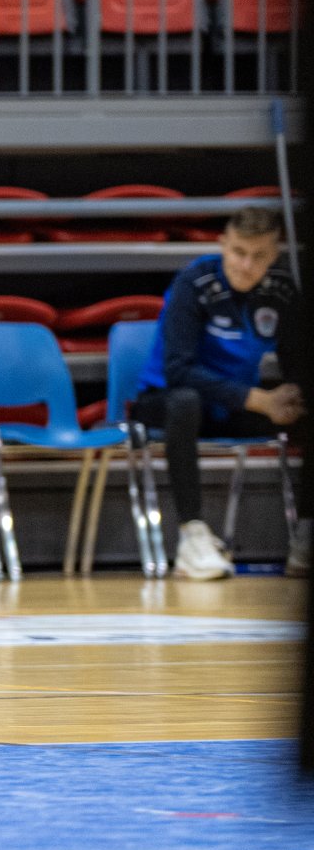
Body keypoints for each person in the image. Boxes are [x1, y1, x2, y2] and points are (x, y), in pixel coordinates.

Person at [133, 207, 310, 580]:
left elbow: (296, 367)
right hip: (164, 400)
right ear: (223, 246)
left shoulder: (281, 289)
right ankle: (192, 537)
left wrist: (291, 395)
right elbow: (179, 370)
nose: (246, 265)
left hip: (231, 405)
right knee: (185, 402)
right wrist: (261, 401)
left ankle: (306, 534)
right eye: (238, 252)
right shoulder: (194, 283)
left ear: (274, 255)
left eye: (258, 256)